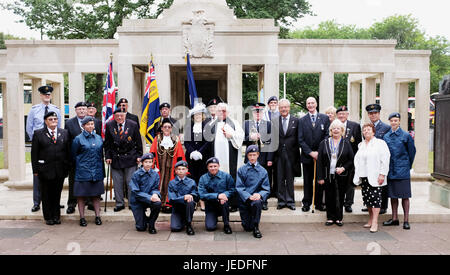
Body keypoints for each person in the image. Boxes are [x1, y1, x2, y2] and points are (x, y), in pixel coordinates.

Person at [26, 85, 62, 213]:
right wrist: (38, 141)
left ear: (51, 96)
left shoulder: (56, 110)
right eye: (44, 94)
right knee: (38, 176)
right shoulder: (34, 110)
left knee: (54, 175)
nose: (47, 96)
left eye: (49, 94)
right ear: (41, 96)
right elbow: (29, 128)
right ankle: (37, 202)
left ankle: (54, 201)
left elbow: (59, 127)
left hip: (53, 147)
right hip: (40, 146)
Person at [31, 111, 70, 225]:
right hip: (45, 170)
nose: (53, 121)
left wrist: (67, 168)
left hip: (60, 170)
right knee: (46, 194)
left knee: (57, 194)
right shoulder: (38, 133)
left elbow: (67, 152)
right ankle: (48, 217)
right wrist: (35, 171)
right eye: (51, 119)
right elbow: (34, 154)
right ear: (45, 121)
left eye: (55, 119)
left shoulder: (64, 133)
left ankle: (56, 216)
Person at [204, 102, 244, 212]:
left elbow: (241, 137)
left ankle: (233, 203)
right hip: (216, 158)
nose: (221, 112)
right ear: (216, 112)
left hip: (230, 159)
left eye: (224, 110)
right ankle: (217, 202)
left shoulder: (234, 123)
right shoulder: (212, 124)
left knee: (231, 178)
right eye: (219, 111)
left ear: (228, 112)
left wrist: (232, 136)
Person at [353, 123, 390, 233]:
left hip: (375, 176)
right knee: (367, 199)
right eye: (364, 130)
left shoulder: (380, 143)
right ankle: (370, 219)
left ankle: (375, 222)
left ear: (373, 132)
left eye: (369, 130)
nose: (366, 132)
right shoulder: (361, 145)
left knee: (375, 200)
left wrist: (382, 174)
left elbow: (386, 159)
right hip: (364, 176)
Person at [104, 108, 143, 212]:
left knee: (130, 182)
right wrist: (107, 156)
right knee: (117, 183)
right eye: (117, 116)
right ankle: (119, 203)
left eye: (121, 115)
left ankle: (132, 203)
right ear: (114, 116)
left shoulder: (133, 124)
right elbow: (107, 144)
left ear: (125, 115)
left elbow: (138, 141)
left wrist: (139, 155)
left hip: (130, 157)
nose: (119, 118)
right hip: (115, 158)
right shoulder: (109, 125)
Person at [317, 120, 355, 226]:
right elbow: (319, 161)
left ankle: (339, 218)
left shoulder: (346, 143)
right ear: (331, 130)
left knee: (340, 196)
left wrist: (343, 168)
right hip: (327, 174)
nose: (336, 130)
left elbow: (351, 160)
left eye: (338, 128)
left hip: (341, 175)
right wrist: (319, 177)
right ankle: (330, 217)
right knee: (329, 196)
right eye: (334, 128)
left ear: (342, 130)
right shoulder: (324, 142)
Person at [383, 112, 416, 230]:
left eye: (396, 120)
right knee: (393, 196)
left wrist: (407, 165)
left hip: (402, 170)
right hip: (391, 170)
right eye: (391, 121)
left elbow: (412, 152)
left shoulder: (406, 136)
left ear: (399, 121)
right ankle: (394, 218)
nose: (393, 123)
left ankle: (406, 220)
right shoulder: (386, 136)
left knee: (405, 196)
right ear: (389, 122)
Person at [71, 116, 105, 227]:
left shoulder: (99, 138)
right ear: (83, 126)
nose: (90, 126)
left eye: (92, 124)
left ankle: (98, 216)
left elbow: (101, 154)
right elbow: (73, 155)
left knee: (96, 195)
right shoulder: (78, 139)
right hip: (83, 172)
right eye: (88, 124)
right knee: (81, 196)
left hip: (96, 171)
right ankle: (82, 217)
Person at [298, 97, 330, 212]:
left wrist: (318, 152)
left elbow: (327, 136)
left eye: (312, 103)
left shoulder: (325, 118)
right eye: (308, 103)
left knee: (319, 180)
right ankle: (306, 202)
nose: (310, 105)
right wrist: (310, 152)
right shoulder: (301, 120)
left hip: (320, 156)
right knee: (307, 181)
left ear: (316, 104)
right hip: (307, 156)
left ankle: (318, 203)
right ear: (306, 105)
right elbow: (300, 139)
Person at [150, 118, 186, 213]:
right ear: (161, 128)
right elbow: (152, 153)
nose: (167, 129)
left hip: (172, 167)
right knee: (159, 184)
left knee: (171, 184)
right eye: (165, 127)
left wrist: (179, 168)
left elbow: (180, 155)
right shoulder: (157, 139)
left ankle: (169, 204)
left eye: (169, 127)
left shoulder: (176, 139)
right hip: (159, 168)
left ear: (171, 129)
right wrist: (153, 166)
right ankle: (159, 203)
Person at [244, 102, 274, 211]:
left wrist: (270, 158)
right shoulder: (247, 124)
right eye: (255, 112)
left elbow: (272, 142)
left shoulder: (268, 124)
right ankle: (251, 199)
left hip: (264, 157)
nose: (258, 114)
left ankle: (264, 201)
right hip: (251, 157)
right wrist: (250, 137)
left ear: (263, 113)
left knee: (264, 180)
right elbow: (242, 140)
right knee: (251, 180)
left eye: (260, 112)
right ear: (252, 113)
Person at [236, 145, 270, 238]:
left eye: (254, 155)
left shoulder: (263, 171)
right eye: (250, 155)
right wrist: (248, 196)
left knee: (257, 203)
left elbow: (266, 188)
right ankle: (249, 223)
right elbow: (239, 187)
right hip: (245, 200)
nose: (252, 157)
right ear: (247, 156)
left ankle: (256, 227)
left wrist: (259, 195)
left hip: (256, 199)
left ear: (258, 155)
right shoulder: (241, 170)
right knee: (247, 227)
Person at [362, 103, 391, 214]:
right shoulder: (365, 127)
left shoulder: (386, 128)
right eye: (370, 113)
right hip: (369, 161)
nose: (373, 115)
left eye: (375, 113)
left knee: (381, 185)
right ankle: (369, 204)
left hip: (380, 161)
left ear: (379, 114)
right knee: (369, 184)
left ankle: (382, 206)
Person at [274, 99, 300, 210]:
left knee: (290, 178)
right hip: (278, 154)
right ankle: (281, 201)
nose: (283, 109)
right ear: (279, 109)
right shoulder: (274, 120)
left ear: (289, 108)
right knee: (279, 178)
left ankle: (290, 201)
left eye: (285, 107)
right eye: (281, 107)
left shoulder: (296, 121)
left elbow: (299, 137)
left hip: (292, 154)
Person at [184, 103, 211, 211]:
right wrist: (192, 152)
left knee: (202, 179)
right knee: (192, 179)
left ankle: (202, 201)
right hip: (191, 158)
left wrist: (200, 152)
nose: (198, 117)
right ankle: (194, 201)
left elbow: (208, 141)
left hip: (203, 157)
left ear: (202, 115)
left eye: (199, 115)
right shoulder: (188, 127)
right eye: (196, 115)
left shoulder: (207, 126)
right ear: (193, 117)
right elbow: (186, 142)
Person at [198, 157, 235, 234]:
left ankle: (226, 224)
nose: (213, 168)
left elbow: (232, 189)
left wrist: (224, 195)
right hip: (211, 206)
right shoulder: (203, 178)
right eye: (210, 166)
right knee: (210, 227)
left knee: (224, 202)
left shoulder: (226, 176)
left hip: (223, 204)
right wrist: (217, 196)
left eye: (215, 166)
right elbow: (202, 195)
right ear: (207, 167)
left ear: (218, 166)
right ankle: (213, 218)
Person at [336, 106, 362, 213]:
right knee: (338, 183)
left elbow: (358, 143)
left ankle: (348, 203)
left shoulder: (355, 126)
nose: (342, 115)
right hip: (337, 160)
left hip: (351, 160)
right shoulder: (334, 125)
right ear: (337, 115)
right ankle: (339, 202)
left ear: (347, 114)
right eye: (340, 114)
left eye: (344, 113)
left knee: (350, 183)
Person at [64, 101, 88, 214]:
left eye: (83, 109)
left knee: (88, 181)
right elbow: (67, 142)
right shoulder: (69, 123)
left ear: (87, 110)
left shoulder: (93, 122)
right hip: (75, 159)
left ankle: (89, 202)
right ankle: (71, 204)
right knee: (73, 181)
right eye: (79, 109)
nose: (82, 110)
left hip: (89, 159)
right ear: (76, 110)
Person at [129, 153, 162, 234]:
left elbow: (155, 188)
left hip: (149, 198)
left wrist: (155, 194)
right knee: (141, 228)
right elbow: (135, 191)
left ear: (152, 163)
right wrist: (149, 197)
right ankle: (143, 219)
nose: (148, 164)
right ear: (142, 163)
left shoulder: (155, 174)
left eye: (150, 162)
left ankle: (151, 223)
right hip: (137, 201)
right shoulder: (136, 174)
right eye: (146, 162)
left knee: (157, 203)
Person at [168, 161, 199, 235]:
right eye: (179, 169)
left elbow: (196, 195)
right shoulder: (171, 183)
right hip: (177, 209)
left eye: (183, 169)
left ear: (187, 170)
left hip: (187, 207)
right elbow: (172, 199)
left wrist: (191, 195)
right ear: (175, 171)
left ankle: (188, 224)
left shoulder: (191, 182)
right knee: (175, 228)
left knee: (190, 201)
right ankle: (181, 220)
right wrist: (184, 197)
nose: (181, 171)